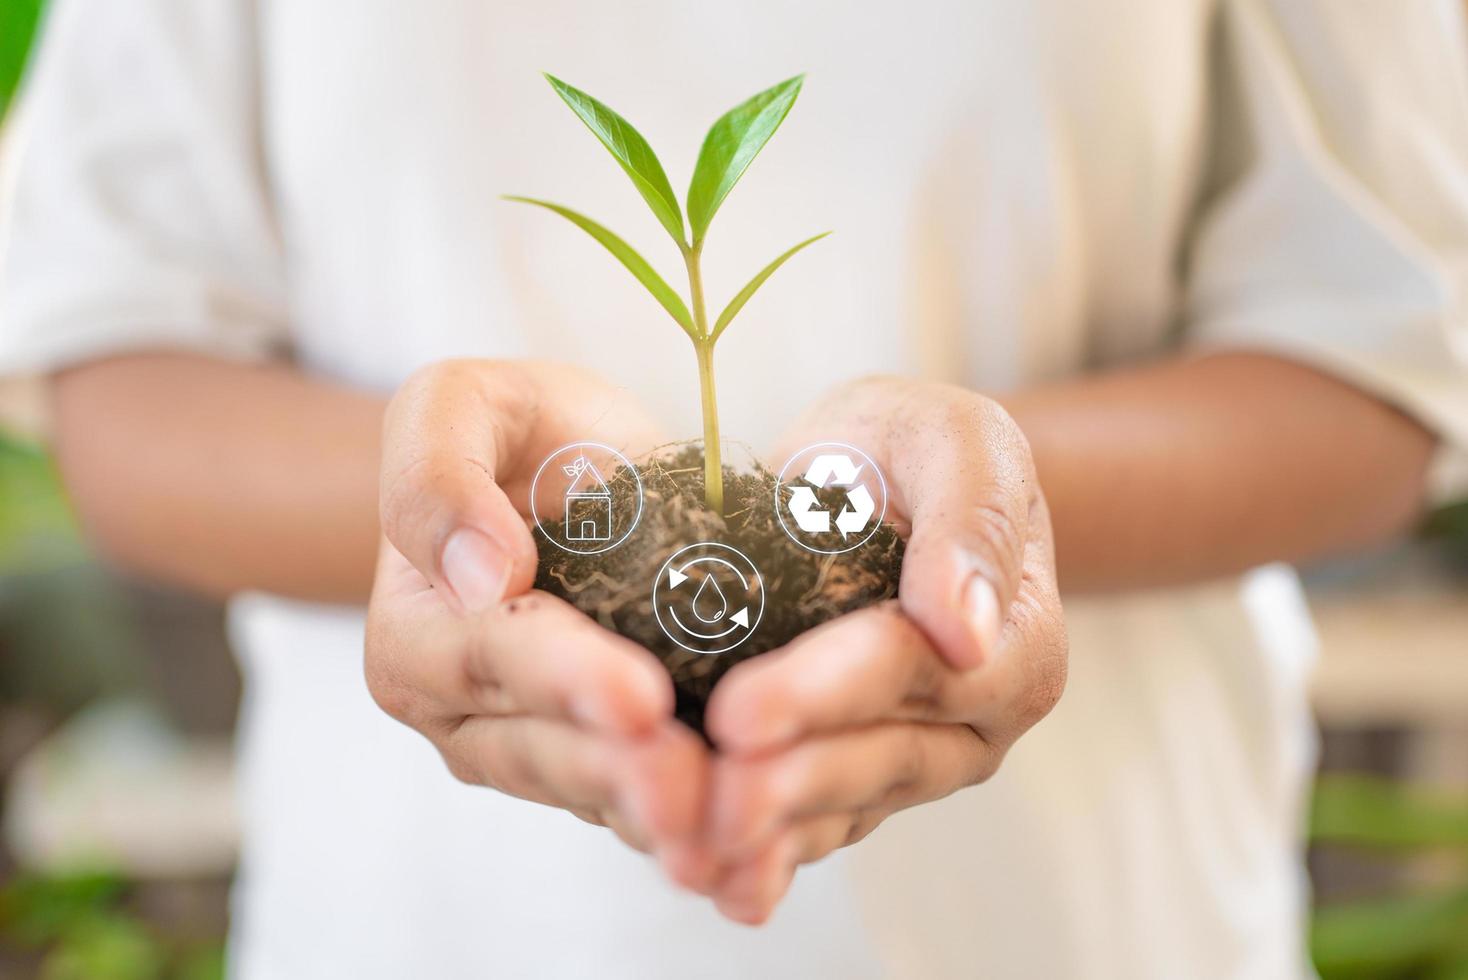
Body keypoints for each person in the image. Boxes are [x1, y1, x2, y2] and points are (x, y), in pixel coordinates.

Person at [2, 0, 1465, 976]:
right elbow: (120, 360)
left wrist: (974, 514)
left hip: (1070, 920)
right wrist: (484, 526)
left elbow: (1388, 346)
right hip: (420, 922)